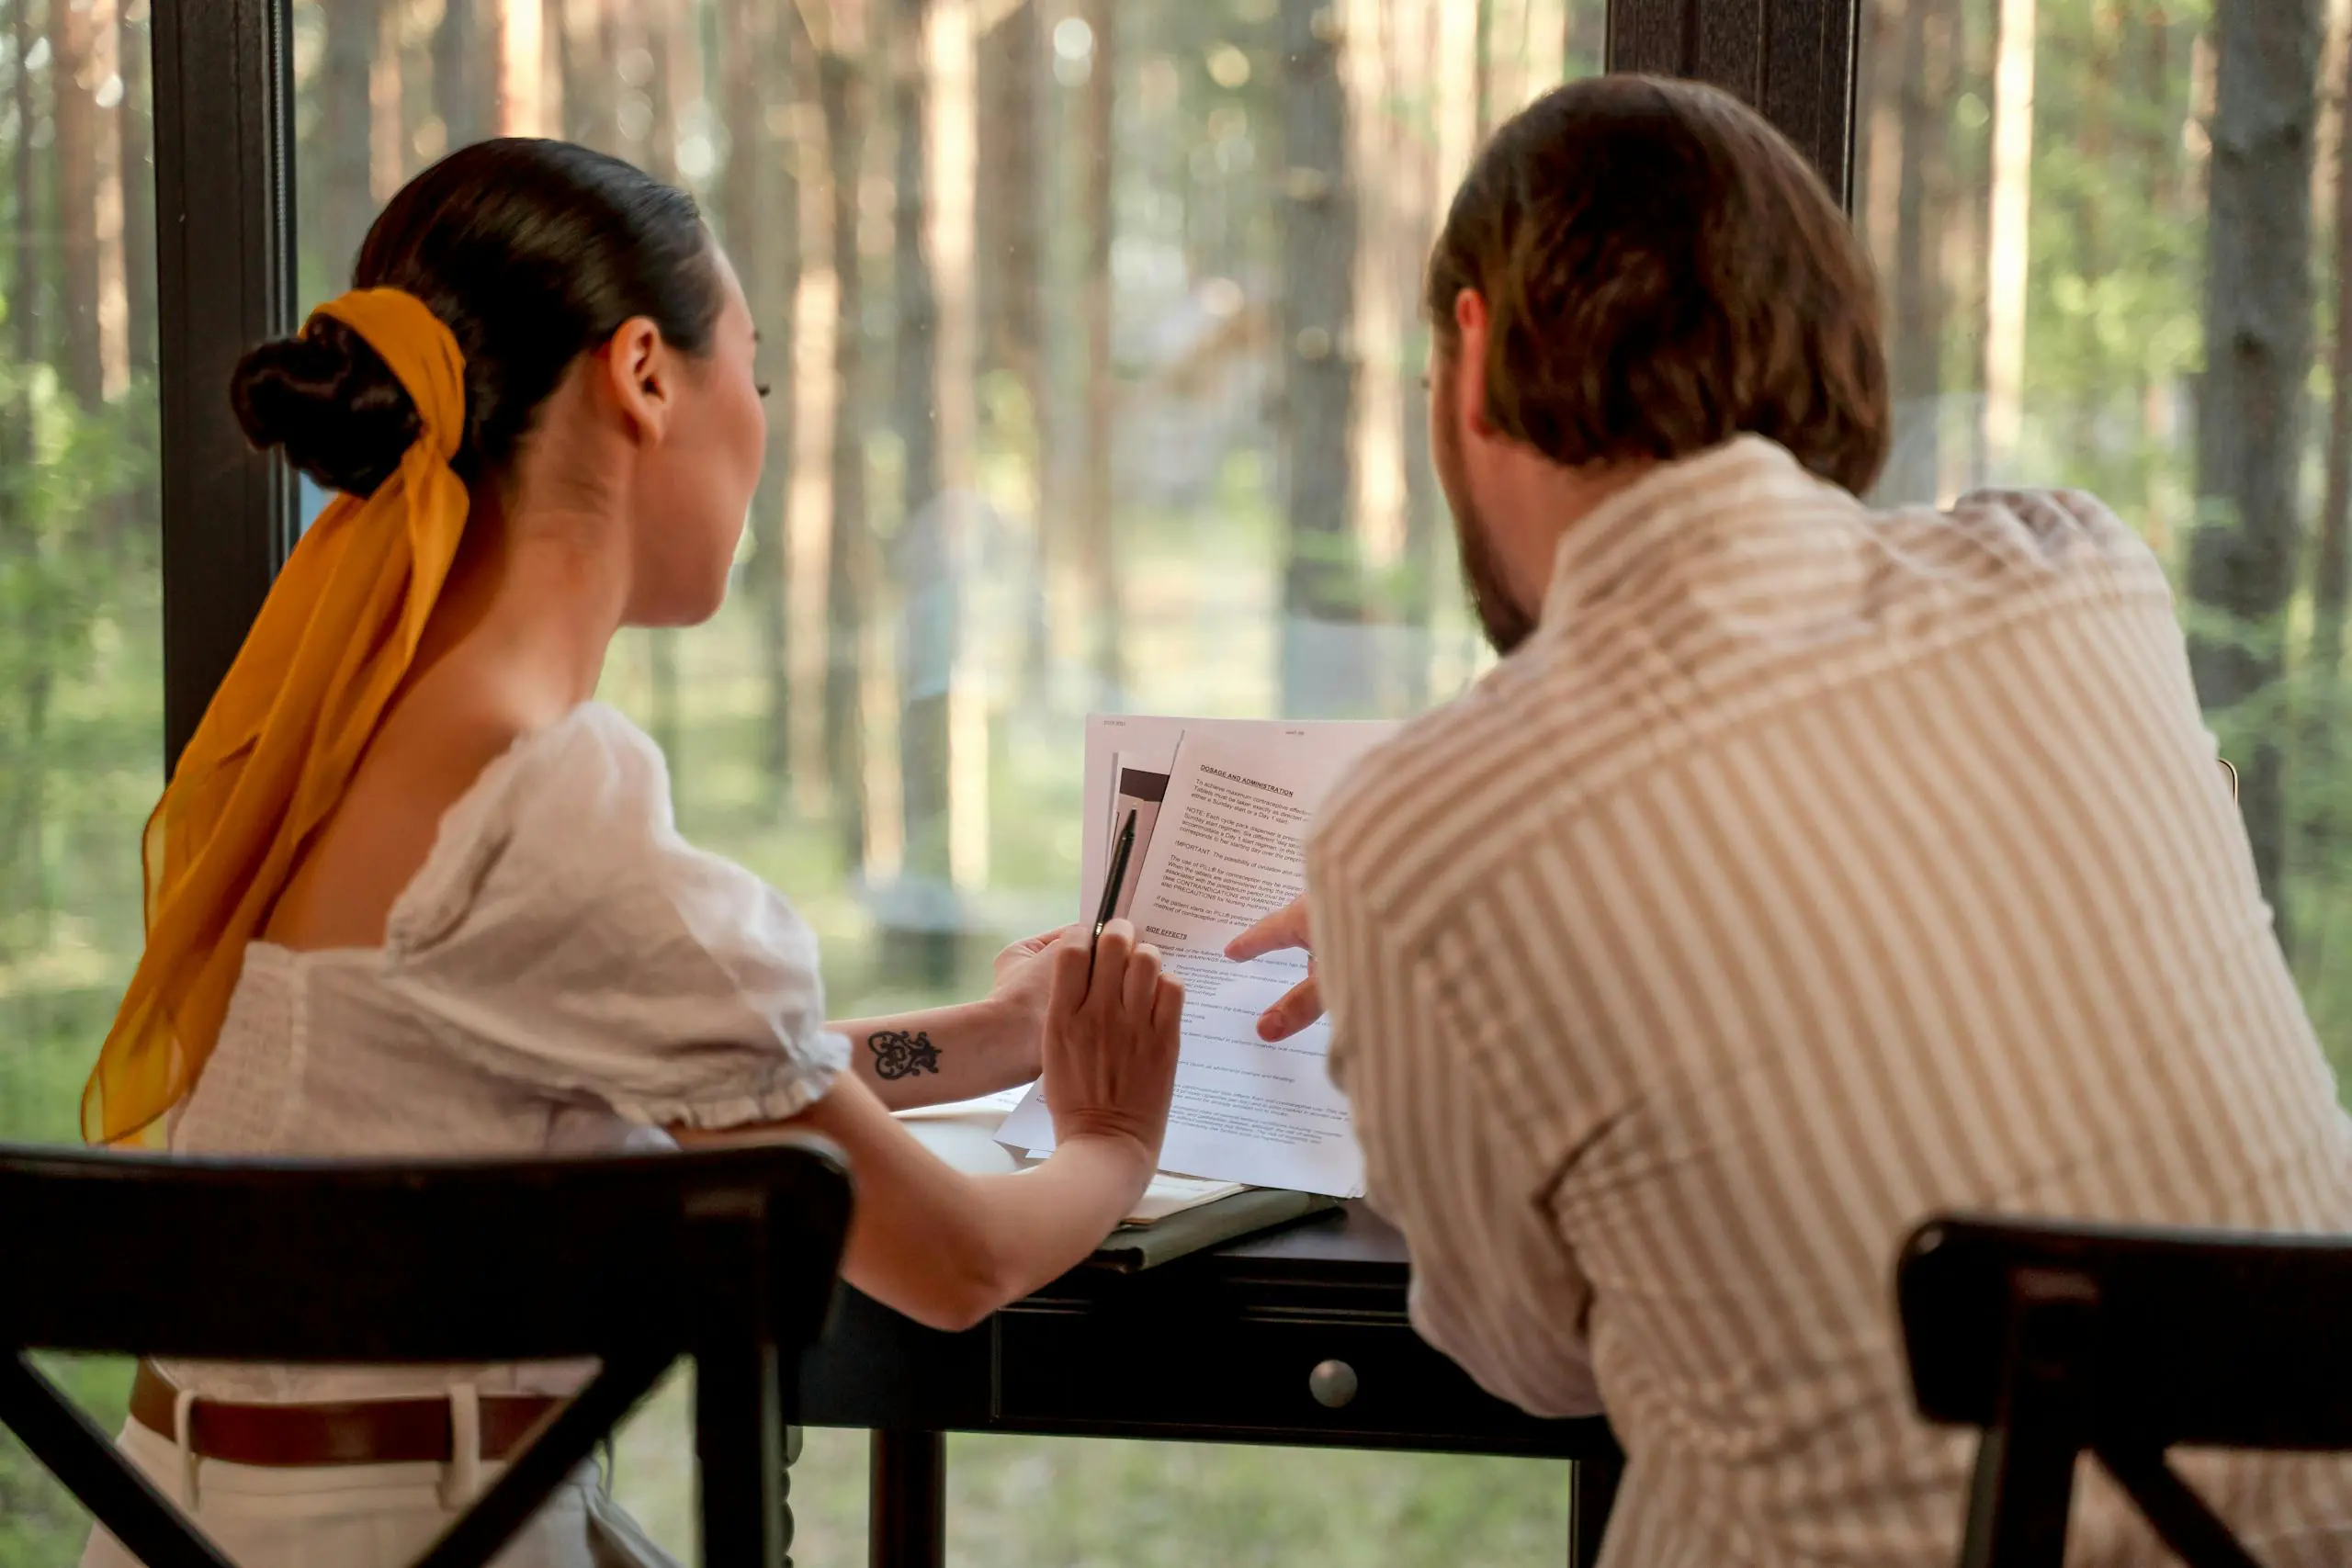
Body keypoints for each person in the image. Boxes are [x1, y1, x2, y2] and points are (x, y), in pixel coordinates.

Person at [1228, 76, 2352, 1566]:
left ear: (1477, 355)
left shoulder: (1420, 833)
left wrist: (1418, 983)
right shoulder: (2084, 576)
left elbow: (1540, 1364)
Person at [80, 138, 1181, 1568]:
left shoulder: (367, 717)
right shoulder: (539, 791)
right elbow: (958, 1260)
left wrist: (988, 1036)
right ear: (646, 375)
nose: (766, 428)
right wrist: (1111, 1141)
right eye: (760, 377)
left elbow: (679, 1074)